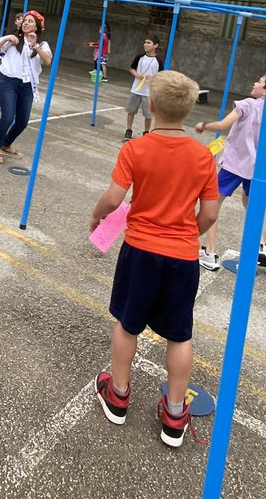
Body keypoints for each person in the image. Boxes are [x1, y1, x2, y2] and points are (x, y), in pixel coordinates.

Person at [90, 71, 219, 447]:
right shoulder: (202, 155)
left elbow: (114, 199)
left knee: (128, 324)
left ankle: (117, 393)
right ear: (188, 108)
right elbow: (210, 214)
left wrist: (96, 216)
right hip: (182, 255)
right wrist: (183, 235)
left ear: (151, 105)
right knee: (180, 334)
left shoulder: (136, 149)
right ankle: (176, 414)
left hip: (142, 251)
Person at [195, 72, 266, 271]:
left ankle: (210, 253)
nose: (254, 82)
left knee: (212, 205)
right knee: (250, 204)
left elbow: (224, 124)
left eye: (259, 81)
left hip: (235, 166)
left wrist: (204, 125)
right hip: (255, 170)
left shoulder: (248, 104)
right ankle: (261, 246)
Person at [0, 10, 52, 162]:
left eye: (30, 21)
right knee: (8, 116)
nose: (26, 23)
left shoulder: (42, 44)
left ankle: (6, 144)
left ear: (37, 26)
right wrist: (6, 40)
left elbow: (47, 61)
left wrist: (35, 45)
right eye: (25, 20)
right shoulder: (13, 39)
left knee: (23, 121)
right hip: (8, 82)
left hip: (27, 86)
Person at [123, 35, 161, 139]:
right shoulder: (139, 57)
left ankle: (146, 133)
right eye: (145, 42)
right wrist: (137, 75)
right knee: (131, 111)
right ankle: (128, 130)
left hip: (149, 93)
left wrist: (152, 78)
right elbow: (132, 69)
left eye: (148, 43)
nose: (145, 44)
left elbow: (161, 76)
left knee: (148, 115)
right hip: (136, 89)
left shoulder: (158, 61)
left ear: (155, 45)